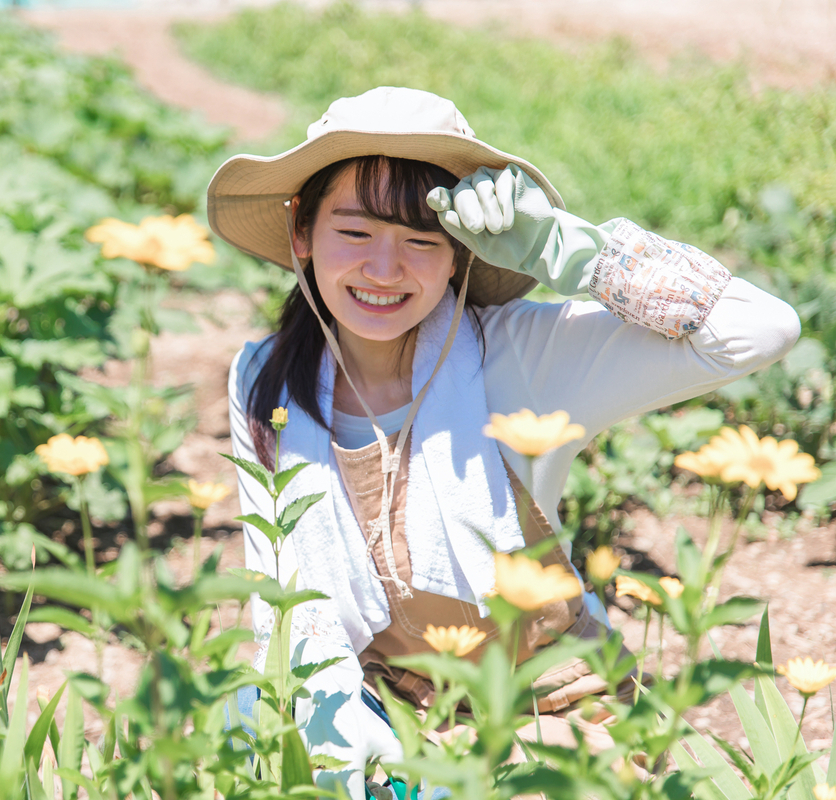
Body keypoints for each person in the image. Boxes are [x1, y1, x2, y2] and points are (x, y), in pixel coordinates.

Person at [208, 86, 800, 797]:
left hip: (545, 698)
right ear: (301, 232)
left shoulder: (513, 357)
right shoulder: (264, 380)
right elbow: (285, 590)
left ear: (461, 254)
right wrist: (333, 715)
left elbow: (761, 330)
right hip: (379, 695)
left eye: (422, 240)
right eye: (356, 233)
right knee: (251, 723)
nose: (384, 270)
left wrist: (563, 247)